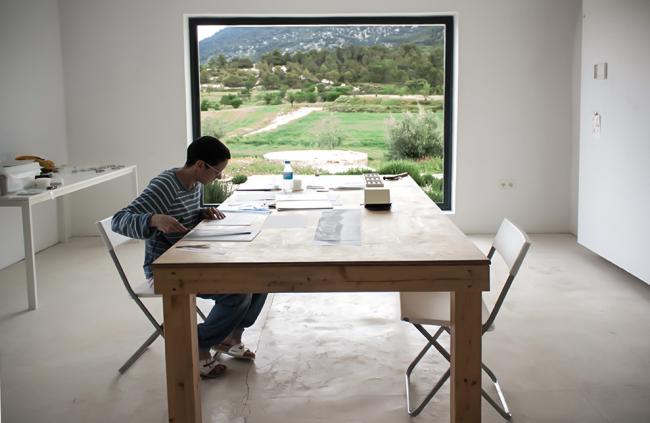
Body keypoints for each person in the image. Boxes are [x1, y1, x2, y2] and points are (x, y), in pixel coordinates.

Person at [111, 135, 267, 378]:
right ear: (200, 165)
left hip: (193, 259)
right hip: (166, 270)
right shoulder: (165, 185)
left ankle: (229, 337)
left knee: (261, 277)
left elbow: (185, 216)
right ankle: (198, 344)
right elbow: (119, 220)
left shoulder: (195, 184)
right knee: (237, 291)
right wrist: (153, 219)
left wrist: (202, 212)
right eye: (217, 172)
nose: (218, 177)